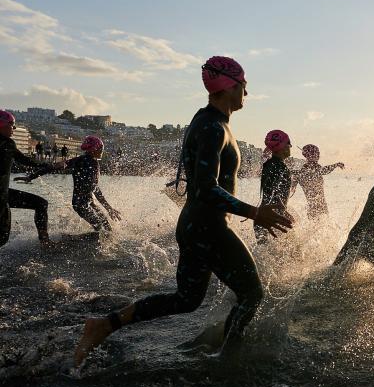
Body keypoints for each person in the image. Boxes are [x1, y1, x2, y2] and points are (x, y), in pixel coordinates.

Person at [73, 56, 292, 367]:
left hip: (197, 225)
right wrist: (254, 212)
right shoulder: (213, 126)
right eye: (244, 85)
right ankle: (227, 361)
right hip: (208, 227)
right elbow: (205, 188)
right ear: (230, 86)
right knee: (252, 294)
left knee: (186, 300)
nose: (247, 92)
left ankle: (104, 325)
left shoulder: (209, 122)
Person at [19, 136, 122, 232]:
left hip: (85, 202)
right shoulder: (92, 164)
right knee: (101, 226)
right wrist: (109, 208)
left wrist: (31, 177)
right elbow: (94, 188)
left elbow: (53, 167)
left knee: (105, 225)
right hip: (81, 204)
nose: (102, 151)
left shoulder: (77, 160)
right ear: (93, 149)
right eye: (100, 148)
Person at [0, 110, 59, 247]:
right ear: (2, 124)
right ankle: (45, 242)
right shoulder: (7, 144)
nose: (13, 129)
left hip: (4, 195)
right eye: (12, 125)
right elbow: (27, 161)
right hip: (1, 197)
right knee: (2, 237)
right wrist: (50, 165)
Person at [255, 129, 294, 240]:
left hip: (263, 217)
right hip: (271, 218)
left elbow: (268, 192)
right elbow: (272, 191)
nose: (290, 147)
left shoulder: (269, 164)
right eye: (289, 144)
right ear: (282, 146)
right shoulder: (280, 167)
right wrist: (283, 212)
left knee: (263, 254)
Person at [291, 144, 344, 219]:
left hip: (313, 206)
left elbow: (297, 176)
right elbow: (324, 170)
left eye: (318, 153)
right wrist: (335, 165)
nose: (319, 156)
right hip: (319, 206)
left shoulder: (302, 171)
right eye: (317, 153)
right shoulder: (311, 168)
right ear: (309, 156)